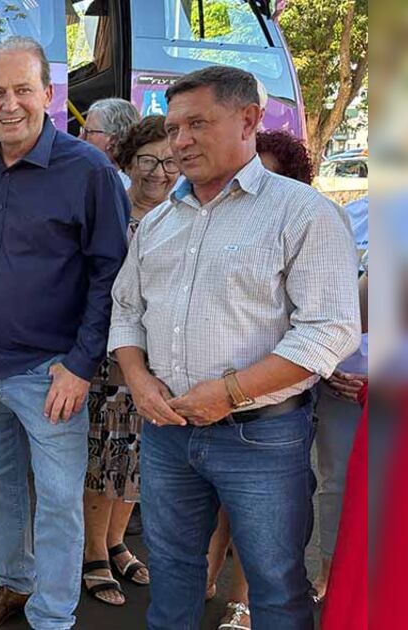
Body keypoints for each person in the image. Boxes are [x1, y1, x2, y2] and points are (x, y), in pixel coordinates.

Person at [108, 66, 360, 630]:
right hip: (168, 432)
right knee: (172, 572)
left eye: (198, 123)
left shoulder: (303, 212)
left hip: (262, 436)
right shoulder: (160, 222)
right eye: (173, 128)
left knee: (276, 585)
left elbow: (329, 329)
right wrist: (139, 381)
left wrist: (229, 393)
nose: (181, 141)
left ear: (249, 120)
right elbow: (126, 311)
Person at [0, 37, 129, 630]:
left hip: (53, 372)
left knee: (56, 500)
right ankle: (13, 583)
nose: (10, 104)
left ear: (48, 94)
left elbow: (110, 275)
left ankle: (52, 616)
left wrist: (81, 364)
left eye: (23, 90)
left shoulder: (89, 170)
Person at [203, 126, 320, 629]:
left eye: (266, 176)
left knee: (259, 523)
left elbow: (323, 323)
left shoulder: (308, 222)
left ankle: (242, 603)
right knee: (218, 506)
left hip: (272, 403)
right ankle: (208, 580)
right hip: (212, 400)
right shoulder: (215, 219)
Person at [79, 115, 175, 607]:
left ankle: (117, 541)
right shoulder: (111, 213)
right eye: (148, 160)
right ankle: (93, 549)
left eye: (170, 162)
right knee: (103, 454)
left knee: (138, 458)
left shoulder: (182, 218)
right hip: (107, 356)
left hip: (162, 362)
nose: (159, 172)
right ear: (128, 161)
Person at [81, 98, 141, 187]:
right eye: (83, 130)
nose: (81, 138)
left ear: (114, 139)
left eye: (89, 132)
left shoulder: (128, 187)